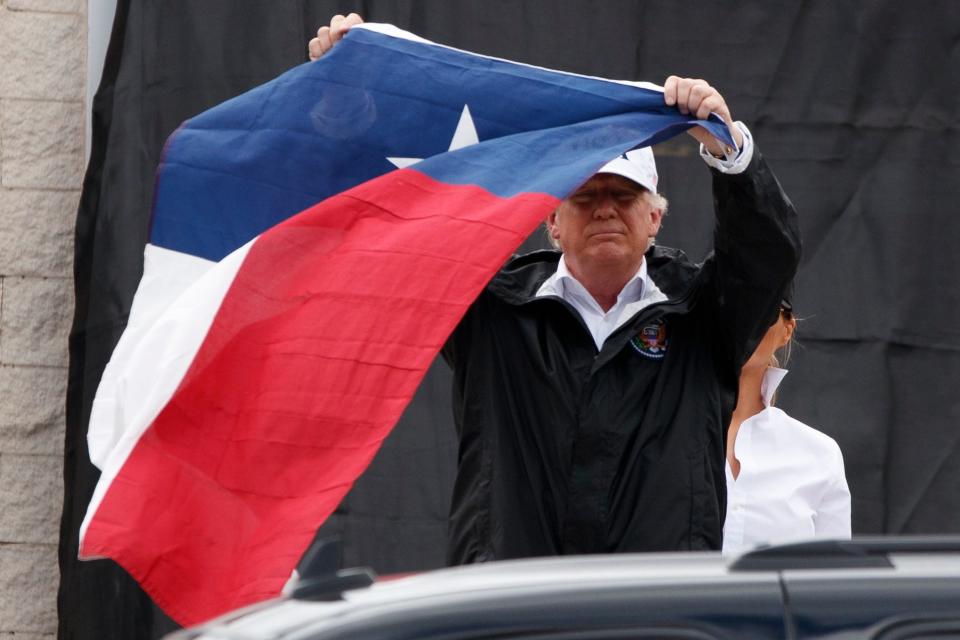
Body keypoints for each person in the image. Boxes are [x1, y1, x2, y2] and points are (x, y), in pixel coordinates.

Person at [309, 15, 801, 563]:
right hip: (508, 611)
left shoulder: (703, 312)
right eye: (586, 196)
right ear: (553, 222)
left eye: (626, 194)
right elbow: (388, 230)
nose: (607, 208)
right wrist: (350, 110)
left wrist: (731, 155)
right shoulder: (491, 307)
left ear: (656, 217)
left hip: (657, 611)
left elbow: (767, 255)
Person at [723, 294, 851, 554]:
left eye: (764, 309)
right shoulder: (657, 435)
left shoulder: (820, 454)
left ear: (787, 330)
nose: (747, 319)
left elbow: (833, 582)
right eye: (729, 304)